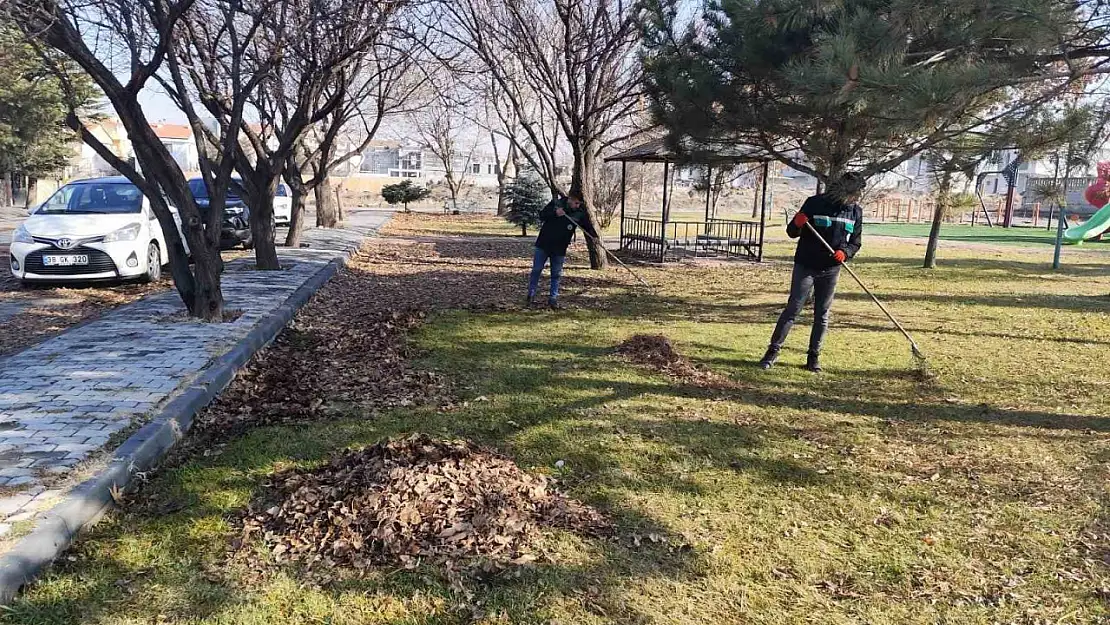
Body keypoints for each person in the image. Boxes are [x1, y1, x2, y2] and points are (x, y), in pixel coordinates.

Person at [759, 173, 865, 372]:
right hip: (806, 264)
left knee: (822, 314)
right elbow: (792, 232)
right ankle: (772, 353)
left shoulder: (855, 211)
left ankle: (813, 358)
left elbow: (856, 242)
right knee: (793, 309)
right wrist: (798, 223)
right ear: (845, 190)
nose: (858, 196)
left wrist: (845, 252)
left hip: (831, 269)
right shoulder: (814, 203)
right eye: (856, 192)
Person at [527, 191, 596, 309]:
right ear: (570, 199)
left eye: (579, 203)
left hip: (560, 248)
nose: (578, 205)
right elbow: (542, 215)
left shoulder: (579, 213)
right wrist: (555, 213)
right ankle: (531, 294)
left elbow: (587, 226)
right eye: (576, 203)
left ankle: (553, 298)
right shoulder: (556, 203)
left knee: (556, 274)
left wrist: (595, 237)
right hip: (544, 244)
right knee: (537, 269)